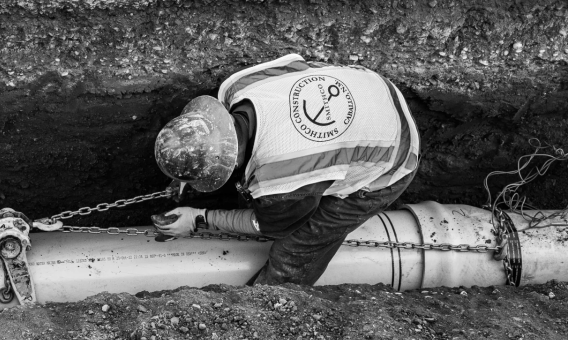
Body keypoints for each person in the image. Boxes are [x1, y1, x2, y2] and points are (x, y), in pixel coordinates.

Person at [152, 53, 419, 286]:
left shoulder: (280, 181)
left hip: (393, 154)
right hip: (372, 88)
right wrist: (187, 173)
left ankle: (271, 302)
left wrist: (199, 219)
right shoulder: (239, 87)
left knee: (294, 250)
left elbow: (266, 226)